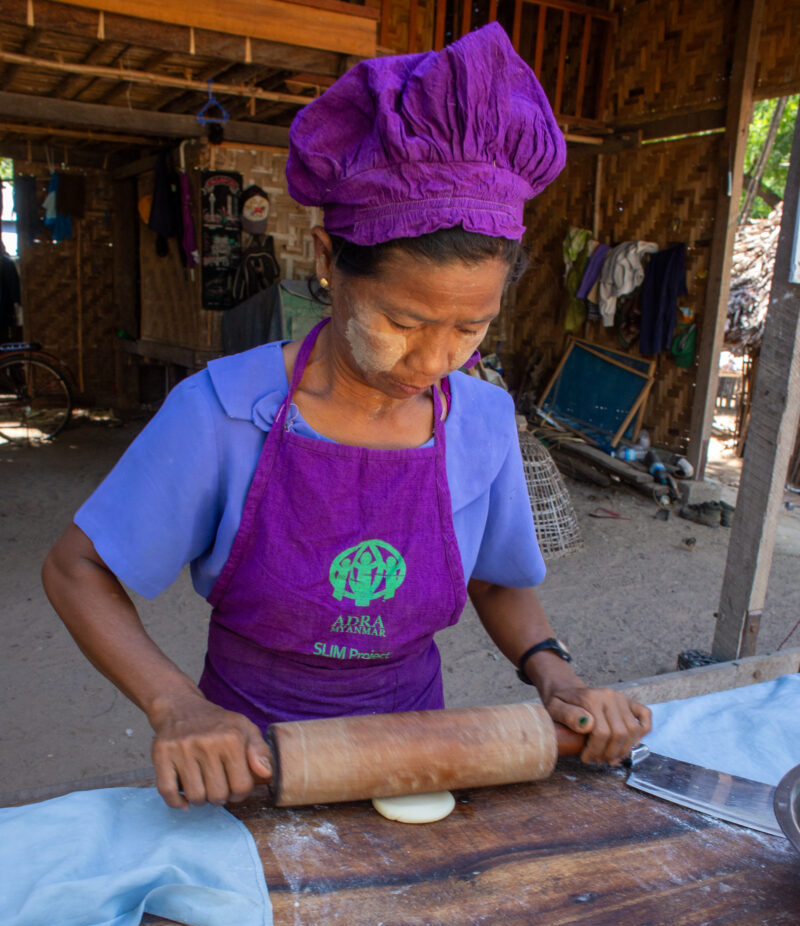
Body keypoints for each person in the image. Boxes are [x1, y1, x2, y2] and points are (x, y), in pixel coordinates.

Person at [43, 24, 651, 810]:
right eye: (402, 321)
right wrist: (177, 706)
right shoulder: (223, 413)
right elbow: (76, 569)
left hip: (422, 756)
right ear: (329, 261)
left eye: (471, 330)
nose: (436, 362)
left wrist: (554, 670)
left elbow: (497, 581)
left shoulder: (483, 422)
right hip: (251, 759)